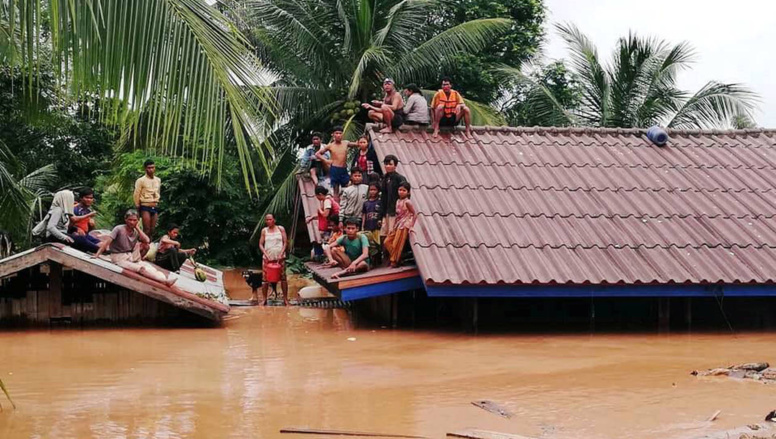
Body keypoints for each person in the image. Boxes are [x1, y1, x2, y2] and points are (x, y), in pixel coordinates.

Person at [94, 209, 177, 287]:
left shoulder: (136, 231)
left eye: (134, 220)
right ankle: (164, 281)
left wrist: (137, 228)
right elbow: (107, 242)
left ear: (137, 221)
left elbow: (147, 240)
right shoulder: (118, 229)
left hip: (130, 256)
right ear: (125, 220)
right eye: (130, 220)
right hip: (118, 257)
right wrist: (97, 255)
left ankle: (165, 280)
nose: (132, 222)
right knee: (141, 269)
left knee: (151, 268)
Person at [315, 126, 356, 198]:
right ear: (333, 135)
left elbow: (357, 144)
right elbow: (317, 154)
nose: (338, 135)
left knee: (349, 185)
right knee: (335, 190)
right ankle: (337, 207)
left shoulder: (346, 143)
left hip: (344, 169)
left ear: (342, 134)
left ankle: (344, 200)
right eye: (336, 133)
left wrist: (362, 141)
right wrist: (326, 160)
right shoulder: (330, 145)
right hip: (334, 169)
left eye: (340, 133)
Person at [383, 181, 417, 268]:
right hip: (398, 223)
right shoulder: (398, 201)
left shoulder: (407, 202)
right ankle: (397, 258)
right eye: (400, 190)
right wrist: (393, 227)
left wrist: (412, 226)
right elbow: (397, 215)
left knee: (398, 243)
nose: (401, 192)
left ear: (408, 192)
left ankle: (394, 261)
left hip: (405, 224)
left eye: (404, 190)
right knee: (387, 241)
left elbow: (414, 213)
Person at [258, 213, 289, 306]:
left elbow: (285, 242)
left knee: (283, 278)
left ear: (274, 220)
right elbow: (260, 244)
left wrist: (281, 253)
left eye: (270, 219)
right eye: (267, 220)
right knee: (265, 279)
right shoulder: (264, 231)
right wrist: (265, 254)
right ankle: (264, 299)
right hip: (267, 259)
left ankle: (285, 299)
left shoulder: (281, 229)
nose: (268, 221)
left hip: (280, 258)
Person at [378, 155, 406, 247]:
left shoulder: (399, 179)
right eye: (386, 164)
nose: (387, 166)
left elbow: (405, 195)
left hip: (395, 212)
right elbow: (383, 197)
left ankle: (392, 258)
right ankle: (385, 258)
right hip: (386, 211)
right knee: (382, 235)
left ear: (395, 165)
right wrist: (380, 215)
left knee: (391, 236)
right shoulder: (385, 178)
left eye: (390, 164)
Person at [134, 159, 162, 238]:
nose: (151, 169)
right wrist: (137, 206)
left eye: (152, 167)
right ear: (145, 169)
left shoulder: (158, 180)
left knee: (153, 229)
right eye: (149, 168)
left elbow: (158, 192)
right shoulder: (141, 180)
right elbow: (136, 193)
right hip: (145, 205)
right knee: (147, 229)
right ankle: (144, 244)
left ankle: (150, 244)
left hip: (154, 204)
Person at [68, 187, 101, 253]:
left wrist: (92, 225)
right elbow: (69, 223)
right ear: (81, 198)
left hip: (85, 234)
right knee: (97, 248)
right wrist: (76, 229)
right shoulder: (75, 208)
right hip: (74, 234)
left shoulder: (89, 210)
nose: (89, 200)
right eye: (87, 197)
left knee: (102, 244)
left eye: (91, 198)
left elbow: (90, 229)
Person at [361, 183, 383, 265]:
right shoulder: (365, 203)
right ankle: (373, 260)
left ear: (378, 191)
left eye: (374, 190)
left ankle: (379, 259)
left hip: (376, 227)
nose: (372, 192)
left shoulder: (380, 202)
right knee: (370, 245)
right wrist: (363, 226)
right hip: (368, 227)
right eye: (371, 190)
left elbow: (382, 214)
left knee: (377, 244)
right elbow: (364, 215)